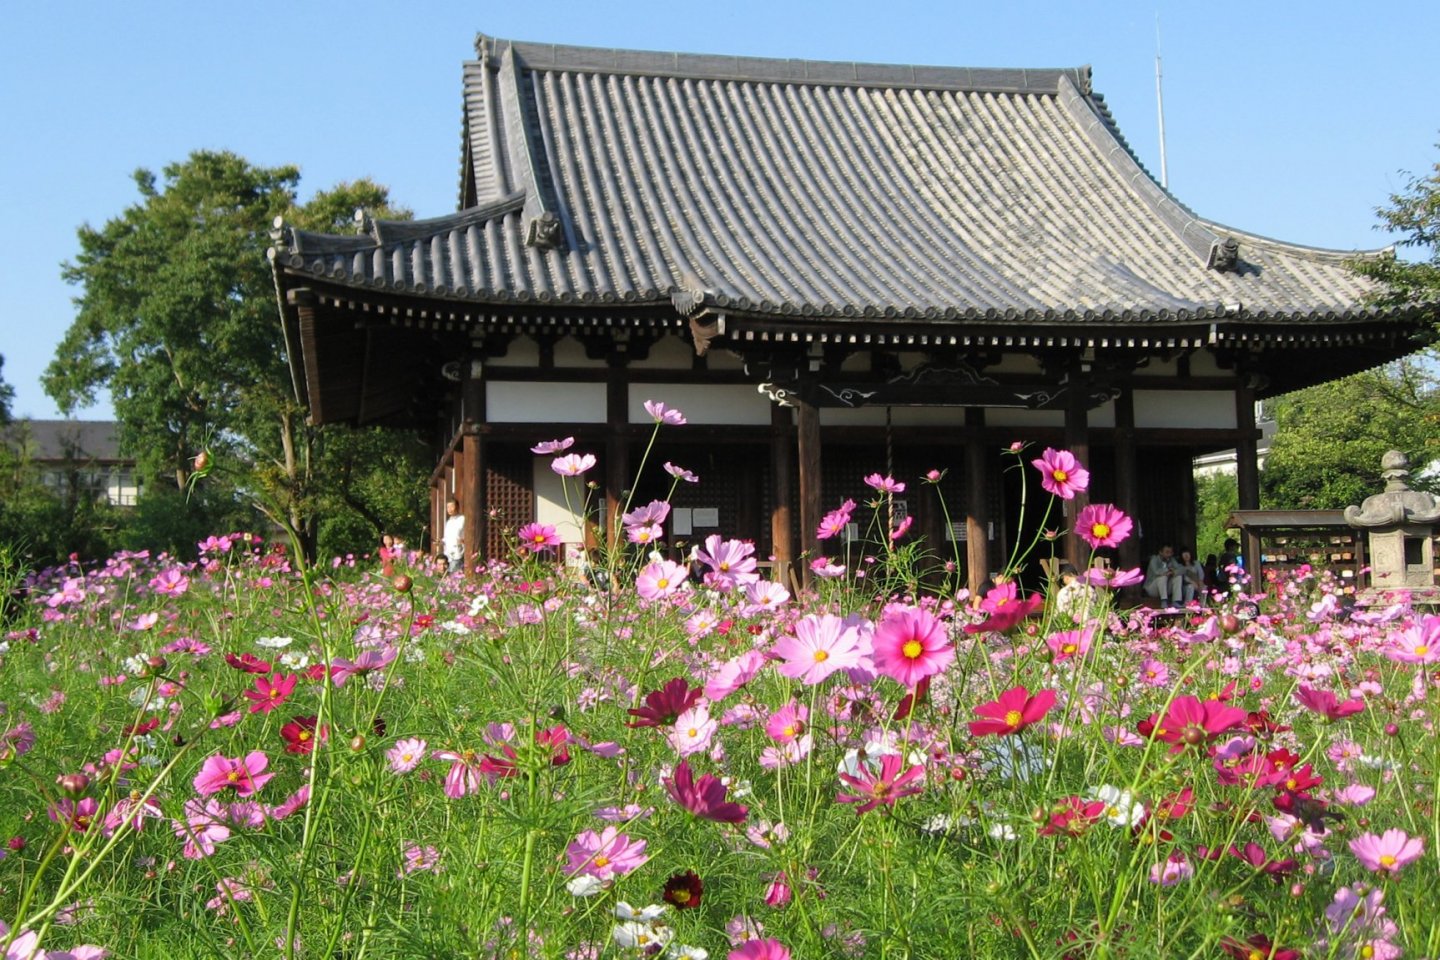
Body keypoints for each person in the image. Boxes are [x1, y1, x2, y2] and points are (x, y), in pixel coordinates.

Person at [442, 497, 465, 575]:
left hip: (458, 552)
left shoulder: (462, 519)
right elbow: (446, 538)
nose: (450, 509)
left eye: (452, 506)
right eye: (448, 507)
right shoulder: (449, 522)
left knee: (454, 574)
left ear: (457, 507)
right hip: (448, 554)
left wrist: (463, 541)